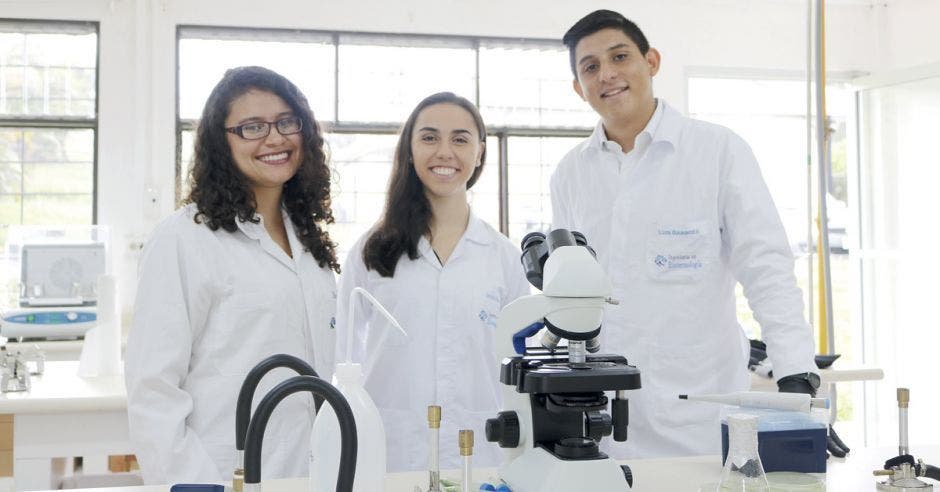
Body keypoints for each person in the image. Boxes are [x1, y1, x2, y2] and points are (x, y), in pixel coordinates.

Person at [550, 10, 819, 458]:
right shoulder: (570, 174)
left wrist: (795, 373)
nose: (608, 75)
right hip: (603, 414)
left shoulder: (718, 151)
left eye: (620, 56)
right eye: (590, 67)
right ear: (579, 88)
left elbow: (766, 265)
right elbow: (568, 293)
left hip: (702, 411)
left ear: (651, 61)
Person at [125, 66, 340, 483]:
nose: (275, 138)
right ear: (221, 143)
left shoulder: (308, 240)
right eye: (252, 127)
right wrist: (193, 483)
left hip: (309, 471)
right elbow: (153, 389)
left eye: (286, 122)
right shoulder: (185, 239)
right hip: (222, 473)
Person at [336, 92, 530, 471]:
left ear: (480, 153)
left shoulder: (503, 257)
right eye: (429, 138)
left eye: (460, 139)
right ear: (409, 151)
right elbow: (344, 360)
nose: (444, 151)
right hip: (391, 452)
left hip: (481, 453)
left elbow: (518, 367)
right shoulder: (372, 251)